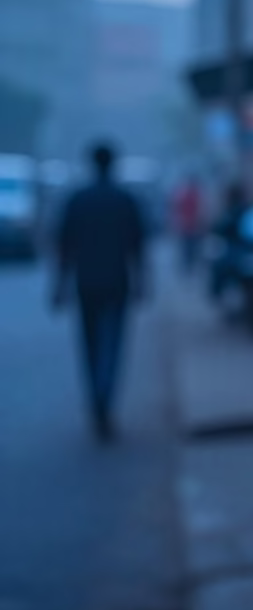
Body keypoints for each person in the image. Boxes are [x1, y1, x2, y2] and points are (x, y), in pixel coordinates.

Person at [53, 142, 147, 440]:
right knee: (113, 344)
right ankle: (105, 397)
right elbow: (138, 247)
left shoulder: (78, 200)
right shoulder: (125, 200)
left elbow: (64, 247)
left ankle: (97, 398)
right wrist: (143, 281)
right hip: (117, 282)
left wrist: (59, 286)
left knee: (90, 346)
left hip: (86, 283)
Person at [171, 174, 203, 274]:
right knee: (188, 248)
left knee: (189, 248)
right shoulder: (190, 195)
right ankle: (188, 266)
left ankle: (188, 266)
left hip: (190, 226)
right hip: (188, 226)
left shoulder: (186, 195)